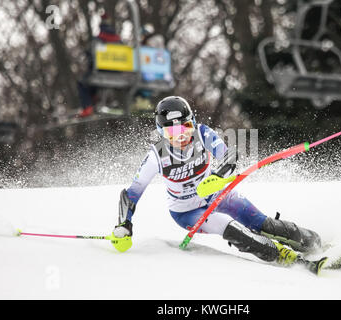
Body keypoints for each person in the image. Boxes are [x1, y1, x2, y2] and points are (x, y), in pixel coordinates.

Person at [112, 96, 321, 265]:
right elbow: (132, 193)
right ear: (161, 133)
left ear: (192, 123)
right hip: (187, 212)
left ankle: (313, 241)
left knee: (262, 223)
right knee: (230, 228)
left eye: (185, 127)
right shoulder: (156, 156)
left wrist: (217, 177)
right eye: (172, 132)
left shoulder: (203, 134)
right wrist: (124, 224)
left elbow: (229, 155)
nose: (181, 136)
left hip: (219, 194)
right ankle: (282, 256)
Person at [77, 14, 123, 118]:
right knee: (91, 81)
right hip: (118, 72)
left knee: (83, 82)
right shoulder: (118, 40)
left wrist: (90, 64)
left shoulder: (98, 39)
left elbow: (92, 55)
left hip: (103, 71)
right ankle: (98, 103)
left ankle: (88, 107)